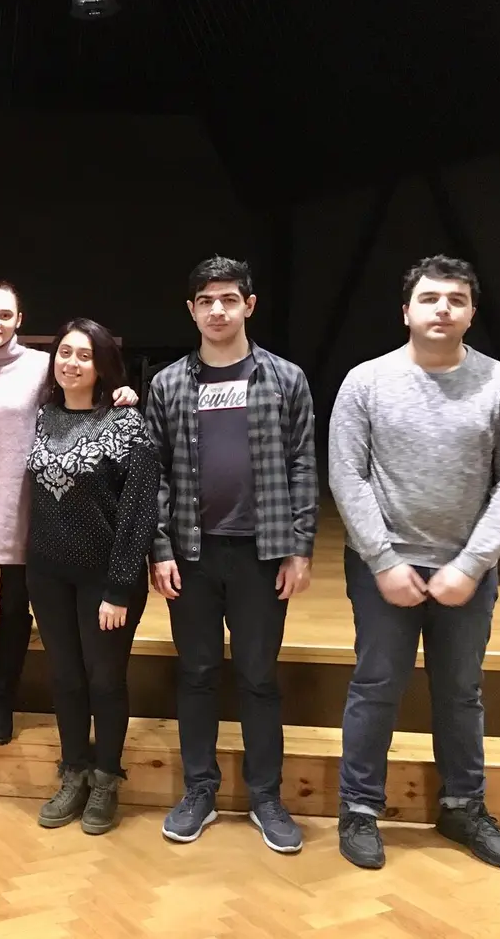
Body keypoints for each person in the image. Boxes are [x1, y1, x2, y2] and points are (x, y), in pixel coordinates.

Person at [329, 255, 500, 872]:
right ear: (406, 311)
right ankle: (358, 809)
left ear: (472, 313)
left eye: (456, 299)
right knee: (375, 686)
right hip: (382, 568)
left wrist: (471, 565)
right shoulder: (366, 381)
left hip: (467, 572)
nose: (442, 308)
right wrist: (383, 560)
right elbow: (347, 474)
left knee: (461, 691)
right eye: (429, 298)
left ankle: (463, 807)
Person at [146, 255, 316, 854]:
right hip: (191, 555)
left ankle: (266, 797)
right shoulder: (168, 384)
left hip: (261, 555)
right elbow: (155, 474)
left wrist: (299, 547)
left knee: (259, 677)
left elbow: (303, 463)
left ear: (249, 305)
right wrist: (159, 548)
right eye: (205, 301)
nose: (216, 310)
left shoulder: (285, 378)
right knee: (195, 674)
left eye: (228, 299)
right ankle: (200, 790)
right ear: (191, 310)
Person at [0, 282, 137, 745]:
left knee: (15, 612)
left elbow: (85, 392)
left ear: (19, 320)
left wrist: (122, 391)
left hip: (27, 511)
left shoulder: (41, 367)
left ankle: (2, 701)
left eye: (5, 315)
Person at [26, 319, 160, 835]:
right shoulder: (44, 416)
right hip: (48, 577)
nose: (72, 363)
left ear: (102, 366)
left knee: (104, 680)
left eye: (84, 355)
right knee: (65, 678)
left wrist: (119, 589)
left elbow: (138, 514)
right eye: (65, 353)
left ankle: (106, 778)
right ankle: (73, 772)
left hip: (106, 582)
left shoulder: (128, 425)